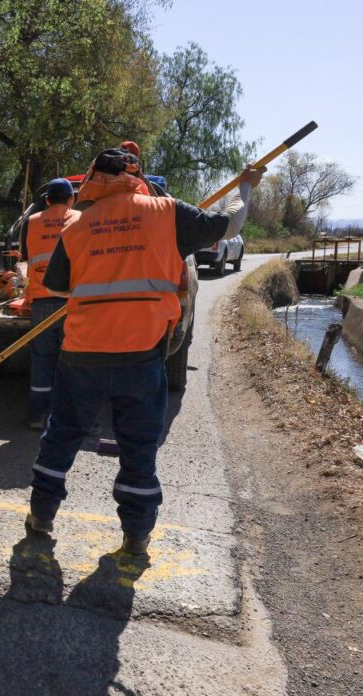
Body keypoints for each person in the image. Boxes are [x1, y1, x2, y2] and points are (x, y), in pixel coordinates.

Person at [24, 147, 265, 555]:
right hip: (140, 354)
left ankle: (42, 515)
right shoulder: (166, 213)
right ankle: (136, 534)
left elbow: (62, 287)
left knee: (62, 435)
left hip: (82, 352)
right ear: (137, 176)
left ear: (92, 179)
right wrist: (243, 185)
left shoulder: (77, 228)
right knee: (137, 446)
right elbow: (229, 226)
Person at [18, 178, 79, 430]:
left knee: (42, 361)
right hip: (71, 304)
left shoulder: (31, 222)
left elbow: (26, 259)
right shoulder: (79, 219)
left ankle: (37, 416)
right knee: (71, 362)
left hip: (40, 301)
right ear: (71, 199)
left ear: (47, 200)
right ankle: (64, 418)